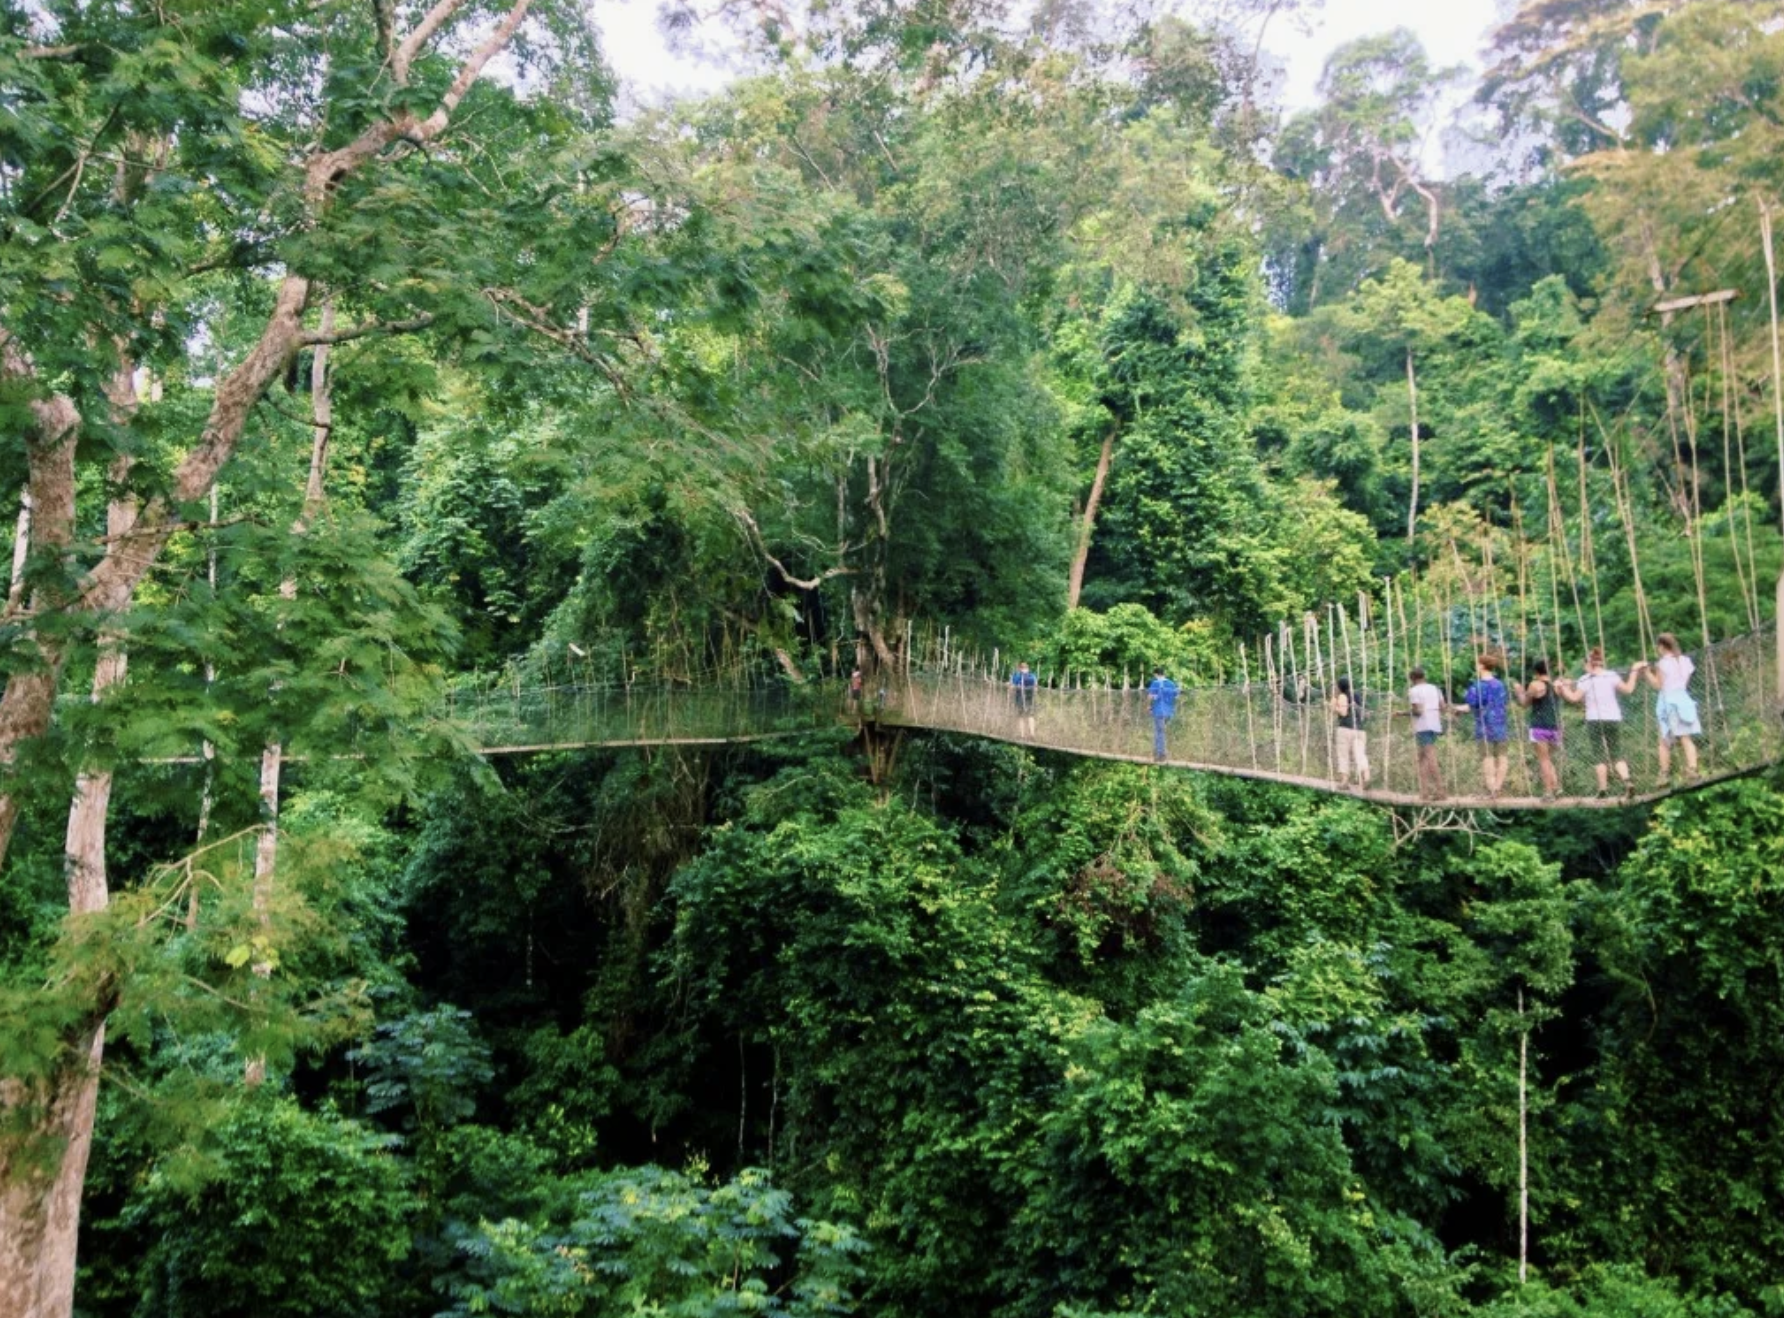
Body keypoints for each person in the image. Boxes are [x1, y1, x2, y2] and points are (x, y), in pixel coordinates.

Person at [1558, 647, 1642, 798]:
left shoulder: (1585, 679)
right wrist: (1634, 671)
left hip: (1594, 720)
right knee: (1616, 753)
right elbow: (1629, 689)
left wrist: (1562, 688)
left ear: (1587, 664)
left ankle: (1603, 789)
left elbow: (1574, 698)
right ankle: (1627, 781)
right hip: (1613, 718)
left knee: (1599, 754)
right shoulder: (1611, 675)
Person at [1641, 632, 1702, 784]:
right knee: (1686, 738)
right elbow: (1684, 684)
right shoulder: (1685, 661)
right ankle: (1693, 768)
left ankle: (1664, 774)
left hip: (1668, 702)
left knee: (1664, 741)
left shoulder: (1662, 664)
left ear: (1661, 646)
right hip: (1683, 700)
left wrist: (1647, 673)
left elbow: (1658, 685)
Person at [1459, 653, 1511, 798]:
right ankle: (1498, 787)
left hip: (1484, 727)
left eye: (1477, 663)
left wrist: (1455, 708)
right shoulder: (1500, 684)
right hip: (1500, 725)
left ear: (1482, 666)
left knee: (1487, 758)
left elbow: (1469, 707)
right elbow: (1503, 703)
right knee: (1502, 756)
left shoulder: (1477, 686)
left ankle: (1492, 789)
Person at [1513, 657, 1564, 799]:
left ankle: (1548, 792)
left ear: (1536, 671)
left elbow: (1524, 703)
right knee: (1548, 759)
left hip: (1539, 726)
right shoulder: (1556, 686)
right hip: (1554, 727)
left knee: (1543, 760)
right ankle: (1556, 787)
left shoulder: (1535, 684)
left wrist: (1518, 691)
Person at [1405, 665, 1445, 801]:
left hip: (1423, 726)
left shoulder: (1414, 691)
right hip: (1435, 725)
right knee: (1422, 759)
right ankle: (1424, 792)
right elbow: (1443, 707)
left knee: (1430, 757)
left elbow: (1418, 711)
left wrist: (1404, 713)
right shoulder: (1435, 688)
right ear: (1423, 676)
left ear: (1412, 679)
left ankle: (1441, 791)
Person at [1329, 675, 1369, 789]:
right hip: (1360, 730)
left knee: (1343, 755)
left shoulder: (1342, 696)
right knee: (1360, 754)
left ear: (1340, 686)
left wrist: (1333, 706)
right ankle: (1366, 777)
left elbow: (1343, 712)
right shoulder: (1357, 696)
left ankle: (1345, 781)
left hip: (1345, 729)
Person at [1146, 666, 1179, 762]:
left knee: (1159, 732)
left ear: (1156, 674)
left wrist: (1148, 706)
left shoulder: (1155, 683)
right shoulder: (1171, 683)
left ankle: (1161, 755)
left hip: (1159, 711)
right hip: (1169, 712)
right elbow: (1176, 696)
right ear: (1164, 674)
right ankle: (1157, 753)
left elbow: (1150, 696)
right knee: (1161, 732)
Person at [1010, 660, 1037, 738]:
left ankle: (1022, 735)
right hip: (1030, 697)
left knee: (1021, 716)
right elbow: (1036, 687)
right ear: (1028, 668)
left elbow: (1012, 686)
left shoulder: (1017, 676)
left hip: (1020, 697)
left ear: (1020, 668)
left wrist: (1011, 685)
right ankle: (1032, 734)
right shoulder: (1032, 676)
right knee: (1030, 715)